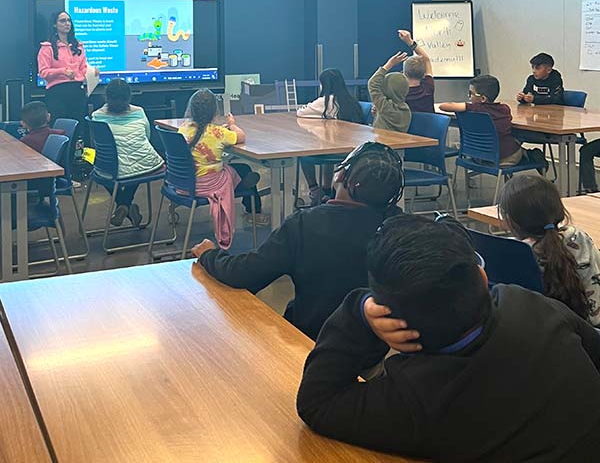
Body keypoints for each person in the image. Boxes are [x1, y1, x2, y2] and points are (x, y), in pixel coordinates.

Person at [297, 214, 600, 462]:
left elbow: (317, 402)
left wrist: (359, 312)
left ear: (390, 314)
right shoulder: (530, 305)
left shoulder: (413, 401)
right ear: (482, 278)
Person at [192, 142, 404, 340]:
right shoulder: (400, 231)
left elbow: (244, 274)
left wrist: (210, 254)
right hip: (369, 352)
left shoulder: (304, 224)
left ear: (340, 176)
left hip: (310, 342)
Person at [498, 174, 600, 325]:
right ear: (559, 209)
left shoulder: (509, 252)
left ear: (510, 220)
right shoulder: (578, 238)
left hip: (542, 341)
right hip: (590, 336)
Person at [178, 89, 267, 249]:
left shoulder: (184, 128)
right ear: (214, 111)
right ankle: (251, 205)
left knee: (238, 169)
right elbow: (241, 137)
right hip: (209, 184)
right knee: (242, 170)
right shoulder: (218, 133)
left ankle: (244, 187)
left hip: (184, 183)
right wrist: (232, 125)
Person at [91, 79, 164, 227]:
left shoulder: (96, 116)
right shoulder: (139, 112)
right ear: (129, 96)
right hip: (143, 164)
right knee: (138, 166)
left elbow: (95, 143)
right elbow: (147, 136)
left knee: (105, 171)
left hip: (108, 168)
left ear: (106, 96)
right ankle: (126, 205)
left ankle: (123, 205)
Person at [297, 68, 364, 205]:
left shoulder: (325, 101)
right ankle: (327, 189)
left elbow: (301, 112)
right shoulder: (350, 100)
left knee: (303, 155)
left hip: (332, 149)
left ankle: (314, 189)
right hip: (349, 151)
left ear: (324, 85)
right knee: (327, 150)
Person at [440, 74, 526, 167]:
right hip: (505, 157)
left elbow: (444, 106)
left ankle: (528, 154)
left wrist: (466, 106)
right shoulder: (504, 109)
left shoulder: (473, 109)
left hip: (479, 157)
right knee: (516, 140)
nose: (469, 97)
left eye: (471, 94)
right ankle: (529, 155)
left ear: (483, 98)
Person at [37, 11, 96, 131]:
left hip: (77, 92)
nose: (67, 24)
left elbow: (83, 67)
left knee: (79, 129)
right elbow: (43, 72)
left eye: (69, 21)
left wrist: (90, 73)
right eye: (62, 21)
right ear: (55, 25)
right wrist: (62, 71)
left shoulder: (78, 45)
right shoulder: (47, 47)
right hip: (57, 93)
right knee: (60, 128)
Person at [367, 51, 411, 132]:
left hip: (382, 143)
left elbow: (372, 84)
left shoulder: (387, 107)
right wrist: (378, 114)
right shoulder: (405, 109)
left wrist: (389, 64)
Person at [398, 29, 435, 113]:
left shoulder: (399, 93)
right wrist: (410, 41)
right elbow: (426, 59)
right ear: (423, 74)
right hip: (428, 126)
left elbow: (425, 60)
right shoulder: (428, 87)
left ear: (404, 73)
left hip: (407, 126)